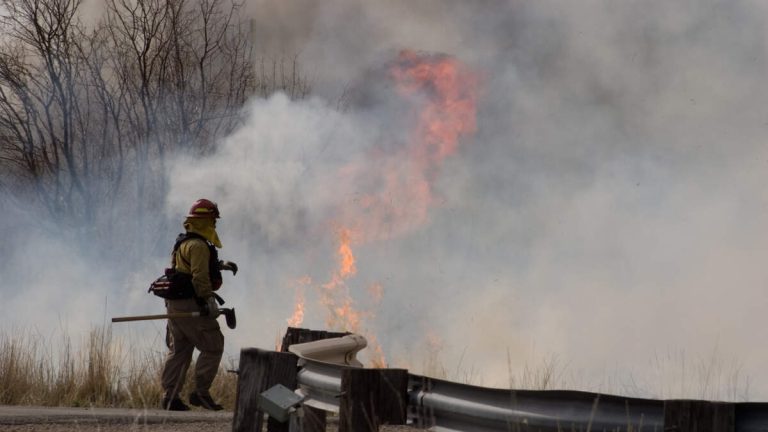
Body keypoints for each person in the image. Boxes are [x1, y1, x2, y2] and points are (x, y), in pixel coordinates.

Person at [160, 198, 238, 411]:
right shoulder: (199, 245)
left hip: (174, 305)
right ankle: (201, 393)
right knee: (213, 346)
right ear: (204, 221)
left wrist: (220, 265)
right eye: (212, 220)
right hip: (192, 304)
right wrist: (208, 299)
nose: (214, 225)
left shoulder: (184, 242)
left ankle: (170, 397)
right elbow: (199, 277)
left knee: (180, 350)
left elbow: (184, 269)